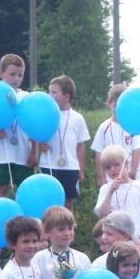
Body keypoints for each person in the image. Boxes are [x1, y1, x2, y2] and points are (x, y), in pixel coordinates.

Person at [38, 75, 90, 212]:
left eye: (54, 92)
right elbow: (36, 134)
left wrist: (81, 169)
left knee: (68, 202)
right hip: (48, 164)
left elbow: (80, 145)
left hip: (70, 167)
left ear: (66, 97)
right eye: (49, 91)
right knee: (49, 203)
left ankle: (69, 231)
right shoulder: (44, 114)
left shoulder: (78, 118)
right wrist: (39, 145)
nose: (49, 95)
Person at [0, 54, 36, 197]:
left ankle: (23, 218)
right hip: (1, 154)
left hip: (23, 152)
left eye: (20, 75)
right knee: (0, 188)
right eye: (12, 74)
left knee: (24, 190)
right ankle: (0, 218)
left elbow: (33, 126)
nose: (16, 78)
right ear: (0, 73)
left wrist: (34, 151)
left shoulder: (26, 97)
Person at [93, 145, 140, 247]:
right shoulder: (105, 189)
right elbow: (102, 215)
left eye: (116, 165)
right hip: (113, 244)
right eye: (108, 167)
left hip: (136, 243)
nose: (113, 170)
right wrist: (110, 192)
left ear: (126, 164)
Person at [91, 83, 140, 186]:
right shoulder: (104, 127)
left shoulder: (133, 126)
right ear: (109, 103)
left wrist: (132, 173)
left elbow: (137, 150)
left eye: (123, 105)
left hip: (133, 177)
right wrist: (101, 177)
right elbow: (98, 154)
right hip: (112, 176)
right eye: (116, 105)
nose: (119, 109)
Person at [90, 212, 140, 276]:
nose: (103, 237)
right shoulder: (99, 264)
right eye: (103, 232)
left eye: (109, 234)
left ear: (125, 236)